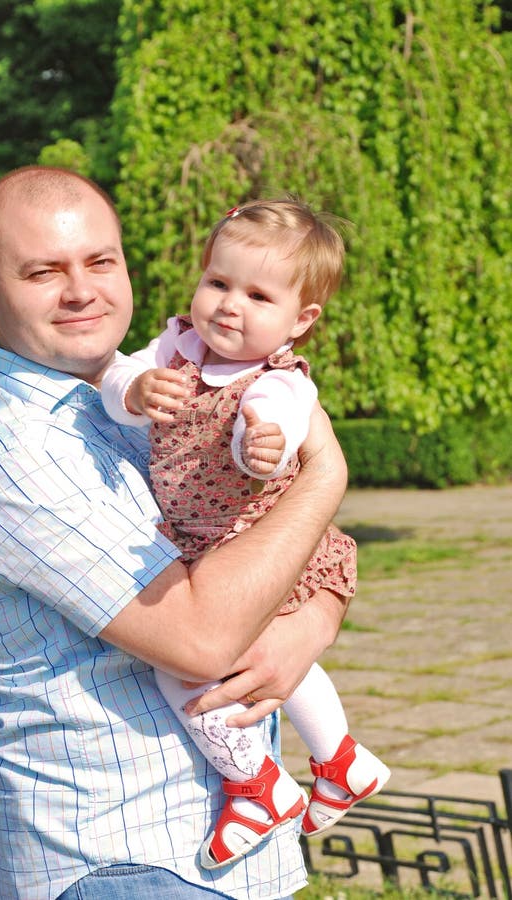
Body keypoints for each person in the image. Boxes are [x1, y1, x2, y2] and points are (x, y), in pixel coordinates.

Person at [0, 166, 352, 900]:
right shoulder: (21, 453)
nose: (81, 290)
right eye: (43, 271)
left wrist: (308, 625)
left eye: (100, 261)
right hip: (129, 859)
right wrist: (326, 477)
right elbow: (200, 638)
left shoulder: (142, 401)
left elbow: (277, 544)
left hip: (204, 852)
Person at [101, 199, 390, 869]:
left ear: (301, 320)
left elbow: (273, 421)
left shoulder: (279, 384)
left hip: (252, 545)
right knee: (282, 659)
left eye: (258, 295)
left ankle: (254, 784)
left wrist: (260, 445)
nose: (230, 305)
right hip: (207, 542)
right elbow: (116, 373)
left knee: (189, 672)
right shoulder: (177, 347)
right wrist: (137, 389)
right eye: (219, 283)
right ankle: (341, 762)